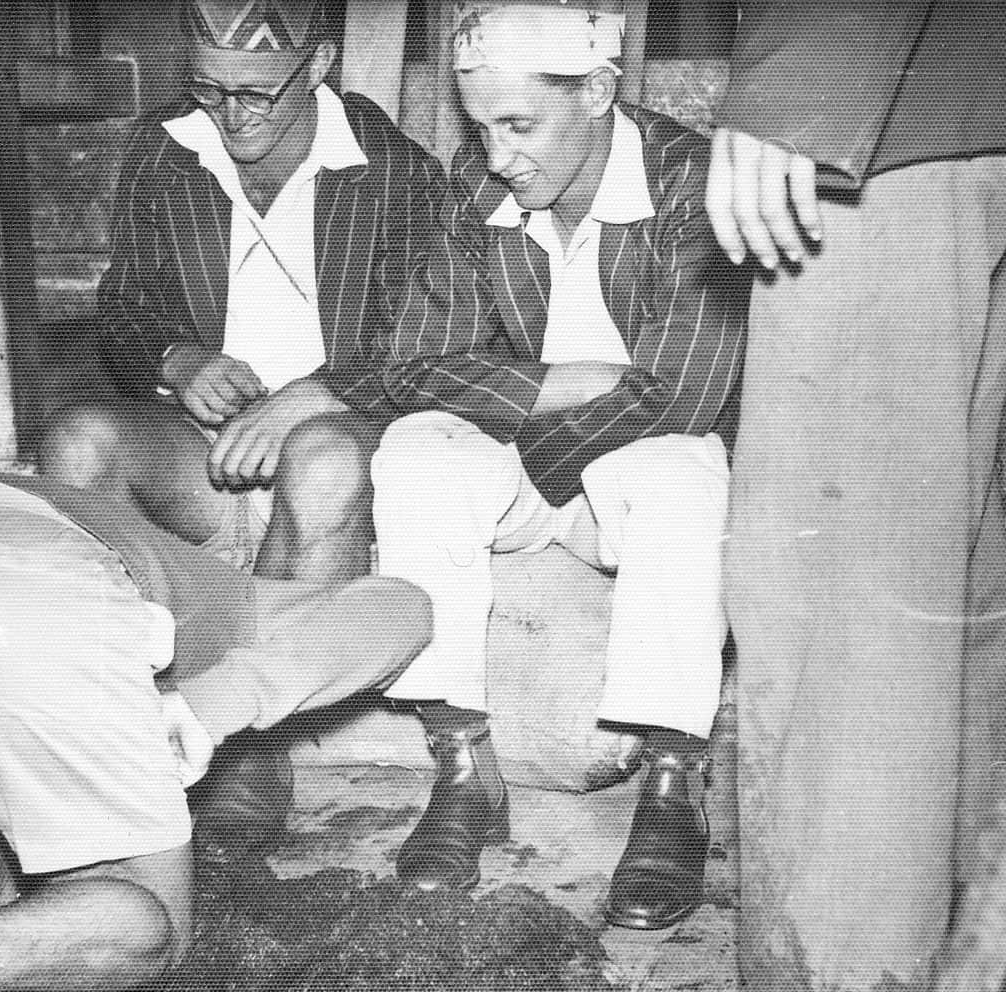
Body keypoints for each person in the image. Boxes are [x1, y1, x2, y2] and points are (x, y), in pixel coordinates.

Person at [369, 0, 750, 930]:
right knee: (415, 448)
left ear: (600, 92)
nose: (496, 155)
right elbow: (410, 363)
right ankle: (464, 771)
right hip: (545, 476)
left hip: (633, 486)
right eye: (481, 126)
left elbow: (686, 390)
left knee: (681, 468)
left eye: (519, 125)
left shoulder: (690, 181)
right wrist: (557, 382)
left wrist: (532, 438)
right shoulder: (481, 185)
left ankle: (670, 786)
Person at [703, 2, 1006, 989]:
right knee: (932, 599)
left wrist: (799, 84)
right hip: (978, 97)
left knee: (838, 626)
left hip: (879, 111)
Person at [0, 471, 431, 992]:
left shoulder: (4, 495)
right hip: (21, 605)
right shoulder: (204, 591)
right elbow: (407, 609)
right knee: (154, 929)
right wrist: (213, 706)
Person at [39, 0, 442, 585]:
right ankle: (130, 657)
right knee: (77, 444)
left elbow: (430, 339)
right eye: (208, 87)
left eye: (256, 93)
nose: (231, 115)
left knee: (322, 461)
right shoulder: (166, 150)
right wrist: (178, 362)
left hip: (341, 444)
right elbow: (123, 306)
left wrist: (312, 397)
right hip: (205, 460)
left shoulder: (393, 171)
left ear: (317, 64)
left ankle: (287, 660)